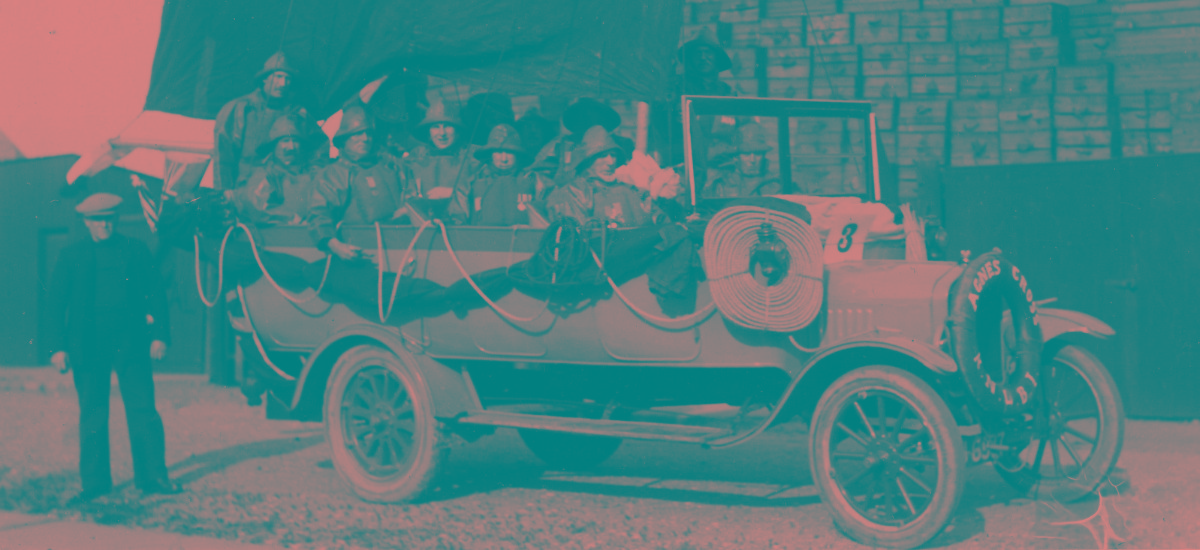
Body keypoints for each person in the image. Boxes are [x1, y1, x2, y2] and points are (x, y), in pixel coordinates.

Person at [46, 193, 181, 504]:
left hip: (131, 342)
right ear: (86, 222)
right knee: (93, 412)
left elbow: (156, 292)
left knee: (143, 409)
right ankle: (95, 483)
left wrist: (160, 335)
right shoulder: (71, 255)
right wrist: (57, 348)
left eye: (109, 219)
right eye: (97, 220)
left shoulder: (136, 249)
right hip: (88, 344)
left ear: (116, 219)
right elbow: (55, 303)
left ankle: (152, 477)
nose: (104, 225)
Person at [213, 51, 327, 190]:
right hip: (246, 188)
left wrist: (312, 178)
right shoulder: (241, 108)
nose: (283, 83)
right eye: (278, 77)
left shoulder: (297, 112)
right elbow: (223, 154)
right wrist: (225, 190)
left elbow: (320, 147)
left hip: (287, 189)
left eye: (288, 78)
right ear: (264, 78)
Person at [309, 105, 409, 260]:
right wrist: (336, 246)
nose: (365, 138)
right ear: (344, 138)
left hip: (399, 249)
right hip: (356, 253)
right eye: (357, 133)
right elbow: (319, 215)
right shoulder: (333, 174)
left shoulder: (389, 167)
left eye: (368, 133)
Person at [546, 125, 652, 228]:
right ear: (588, 161)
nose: (610, 162)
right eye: (602, 156)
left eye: (613, 155)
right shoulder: (575, 191)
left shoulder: (627, 188)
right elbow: (579, 232)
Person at [529, 98, 624, 196]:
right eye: (584, 117)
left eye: (596, 119)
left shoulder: (616, 144)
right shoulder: (564, 144)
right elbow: (539, 170)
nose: (590, 122)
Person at [235, 115, 318, 225]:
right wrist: (292, 218)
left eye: (295, 141)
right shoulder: (266, 175)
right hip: (277, 233)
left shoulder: (313, 174)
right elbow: (255, 208)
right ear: (274, 146)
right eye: (285, 140)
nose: (291, 147)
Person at [403, 100, 476, 224]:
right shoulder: (416, 159)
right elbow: (408, 196)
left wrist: (452, 192)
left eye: (447, 126)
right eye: (435, 127)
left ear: (457, 130)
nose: (442, 133)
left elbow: (482, 194)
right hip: (424, 228)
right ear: (428, 131)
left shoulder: (472, 158)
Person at [468, 124, 535, 226]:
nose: (504, 159)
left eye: (509, 152)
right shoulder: (474, 181)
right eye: (499, 152)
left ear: (518, 155)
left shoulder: (533, 180)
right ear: (491, 154)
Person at [704, 123, 782, 198]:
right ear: (736, 157)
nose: (752, 160)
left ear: (763, 156)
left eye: (758, 153)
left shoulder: (775, 185)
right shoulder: (722, 185)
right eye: (746, 154)